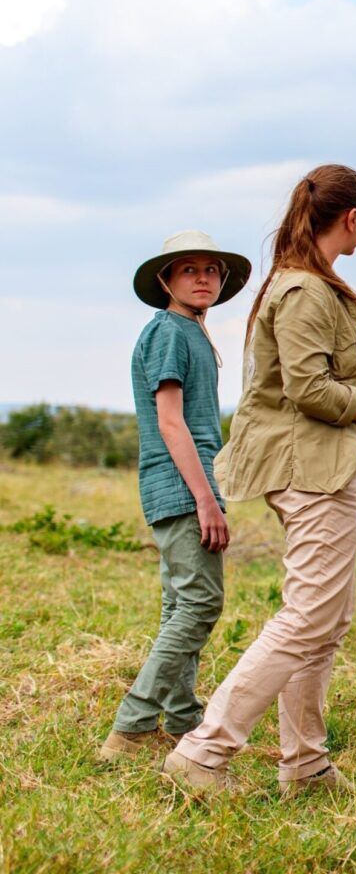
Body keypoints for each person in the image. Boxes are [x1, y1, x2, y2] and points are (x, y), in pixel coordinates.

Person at [162, 164, 356, 795]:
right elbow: (307, 390)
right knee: (308, 618)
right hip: (311, 468)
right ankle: (204, 751)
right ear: (352, 217)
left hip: (321, 464)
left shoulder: (314, 283)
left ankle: (306, 765)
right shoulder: (303, 290)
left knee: (326, 619)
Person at [99, 231, 251, 762]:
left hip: (183, 486)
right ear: (166, 280)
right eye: (189, 270)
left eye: (211, 269)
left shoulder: (189, 332)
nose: (203, 277)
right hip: (183, 488)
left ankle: (184, 718)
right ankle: (132, 725)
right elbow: (170, 422)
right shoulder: (168, 333)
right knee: (201, 603)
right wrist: (207, 499)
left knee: (178, 604)